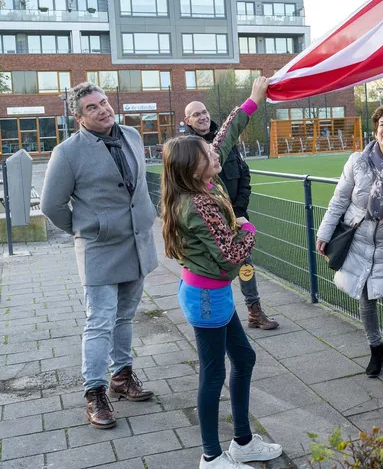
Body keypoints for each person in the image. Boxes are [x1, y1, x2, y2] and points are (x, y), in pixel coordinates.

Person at [160, 77, 283, 469]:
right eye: (206, 152)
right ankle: (212, 458)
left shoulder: (200, 181)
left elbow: (225, 137)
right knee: (213, 375)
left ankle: (243, 443)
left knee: (243, 359)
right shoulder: (199, 204)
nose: (215, 152)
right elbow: (232, 256)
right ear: (192, 167)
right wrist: (247, 226)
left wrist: (252, 102)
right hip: (208, 296)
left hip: (212, 293)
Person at [41, 82, 157, 429]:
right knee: (100, 321)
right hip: (100, 248)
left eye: (104, 102)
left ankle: (122, 376)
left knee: (125, 316)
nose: (104, 109)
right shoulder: (67, 153)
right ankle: (95, 392)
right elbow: (51, 206)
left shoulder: (132, 135)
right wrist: (89, 228)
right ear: (79, 117)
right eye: (93, 107)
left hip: (137, 243)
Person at [315, 105, 383, 383]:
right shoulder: (357, 162)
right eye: (382, 124)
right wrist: (324, 234)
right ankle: (376, 351)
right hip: (358, 241)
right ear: (376, 130)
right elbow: (339, 200)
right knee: (364, 299)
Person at [184, 101, 279, 330]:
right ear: (188, 121)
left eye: (204, 112)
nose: (202, 117)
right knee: (218, 265)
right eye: (196, 115)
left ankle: (253, 310)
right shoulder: (187, 149)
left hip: (236, 217)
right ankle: (215, 315)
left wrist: (239, 212)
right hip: (212, 221)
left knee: (246, 264)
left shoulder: (227, 142)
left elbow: (244, 175)